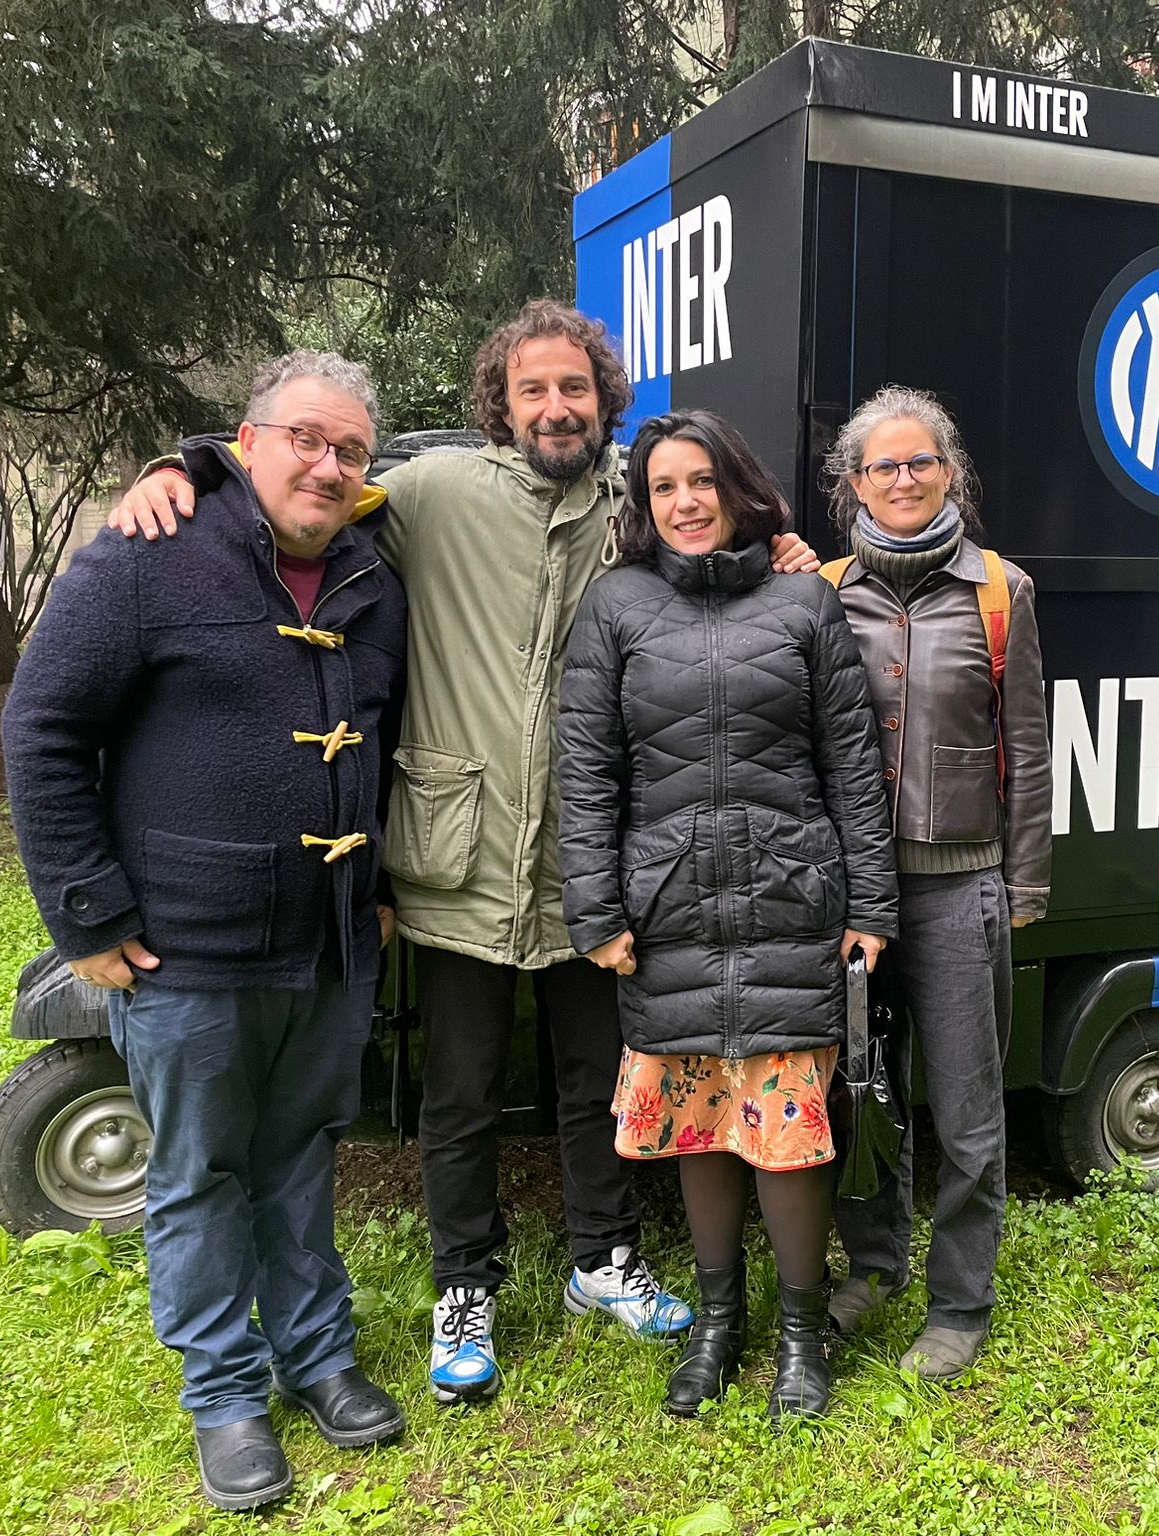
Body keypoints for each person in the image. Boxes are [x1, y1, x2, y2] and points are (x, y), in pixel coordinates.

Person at [107, 301, 819, 1408]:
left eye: (573, 387)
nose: (554, 407)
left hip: (597, 863)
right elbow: (302, 492)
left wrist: (779, 552)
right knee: (463, 1089)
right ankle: (463, 1288)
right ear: (500, 401)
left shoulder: (633, 513)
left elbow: (713, 560)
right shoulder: (431, 493)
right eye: (531, 388)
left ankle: (603, 1258)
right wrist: (186, 468)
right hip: (457, 855)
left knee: (598, 1077)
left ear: (602, 401)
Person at [2, 351, 409, 1512]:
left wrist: (368, 875)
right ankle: (225, 1393)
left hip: (328, 943)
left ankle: (316, 1356)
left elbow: (380, 740)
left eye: (349, 453)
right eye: (305, 441)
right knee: (196, 1173)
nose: (326, 467)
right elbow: (39, 727)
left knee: (299, 1156)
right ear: (247, 438)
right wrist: (83, 910)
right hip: (185, 948)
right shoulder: (151, 553)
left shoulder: (372, 579)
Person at [556, 410, 899, 1419]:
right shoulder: (613, 605)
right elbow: (584, 771)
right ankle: (718, 1325)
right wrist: (595, 908)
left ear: (738, 488)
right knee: (702, 1126)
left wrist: (870, 903)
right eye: (664, 487)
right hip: (664, 916)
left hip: (790, 901)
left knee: (786, 1125)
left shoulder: (802, 604)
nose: (686, 502)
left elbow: (852, 768)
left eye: (701, 481)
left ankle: (801, 1338)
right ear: (643, 504)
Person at [817, 385, 1052, 1382]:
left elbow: (1030, 747)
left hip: (962, 893)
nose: (903, 479)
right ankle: (873, 1267)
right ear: (851, 485)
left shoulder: (1002, 591)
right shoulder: (821, 592)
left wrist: (1022, 883)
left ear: (948, 473)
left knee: (965, 1114)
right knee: (859, 1095)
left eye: (920, 462)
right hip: (853, 899)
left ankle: (959, 1304)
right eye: (882, 466)